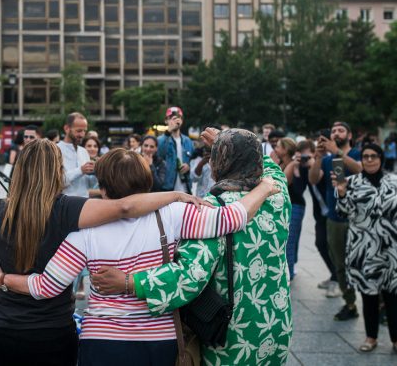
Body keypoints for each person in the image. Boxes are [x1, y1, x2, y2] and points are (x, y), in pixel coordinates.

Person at [0, 147, 279, 365]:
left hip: (102, 342)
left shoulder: (83, 232)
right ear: (146, 181)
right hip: (159, 342)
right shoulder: (174, 214)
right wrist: (265, 188)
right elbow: (232, 218)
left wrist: (5, 278)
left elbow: (46, 287)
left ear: (103, 188)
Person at [0, 137, 207, 366]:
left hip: (3, 326)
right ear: (58, 171)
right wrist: (175, 196)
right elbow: (124, 206)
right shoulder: (67, 209)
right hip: (53, 330)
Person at [91, 128, 292, 366]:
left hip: (234, 333)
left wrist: (130, 282)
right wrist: (234, 143)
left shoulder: (210, 209)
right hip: (275, 323)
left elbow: (189, 276)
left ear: (219, 162)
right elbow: (270, 168)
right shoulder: (275, 193)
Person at [334, 143, 397, 356]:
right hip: (364, 249)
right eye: (366, 156)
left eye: (374, 156)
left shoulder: (395, 181)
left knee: (393, 295)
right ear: (362, 159)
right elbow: (343, 213)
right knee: (369, 295)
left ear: (381, 158)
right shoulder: (350, 182)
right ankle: (371, 337)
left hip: (394, 249)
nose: (370, 160)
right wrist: (342, 193)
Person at [310, 121, 362, 321]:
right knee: (340, 264)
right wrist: (318, 158)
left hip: (358, 217)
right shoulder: (328, 158)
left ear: (349, 136)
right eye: (333, 131)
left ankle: (381, 303)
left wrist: (338, 153)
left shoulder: (358, 153)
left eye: (341, 130)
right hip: (335, 218)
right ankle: (350, 304)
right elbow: (314, 179)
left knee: (365, 263)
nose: (336, 133)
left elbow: (360, 170)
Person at [284, 139, 315, 281]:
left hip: (297, 205)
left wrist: (298, 168)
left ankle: (289, 272)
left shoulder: (305, 168)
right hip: (291, 205)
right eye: (301, 156)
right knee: (291, 239)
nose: (303, 159)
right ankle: (291, 267)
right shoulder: (293, 163)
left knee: (291, 240)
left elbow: (298, 190)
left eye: (306, 156)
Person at [157, 107, 194, 193]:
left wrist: (189, 166)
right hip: (167, 189)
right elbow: (159, 154)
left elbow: (194, 161)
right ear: (166, 121)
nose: (176, 120)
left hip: (185, 188)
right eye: (172, 118)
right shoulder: (160, 140)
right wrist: (168, 131)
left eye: (179, 117)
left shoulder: (188, 141)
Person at [58, 112, 95, 198]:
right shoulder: (56, 150)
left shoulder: (84, 151)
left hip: (85, 203)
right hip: (64, 204)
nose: (82, 134)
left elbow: (88, 184)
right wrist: (81, 170)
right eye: (79, 131)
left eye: (84, 131)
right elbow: (57, 183)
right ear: (67, 128)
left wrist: (97, 173)